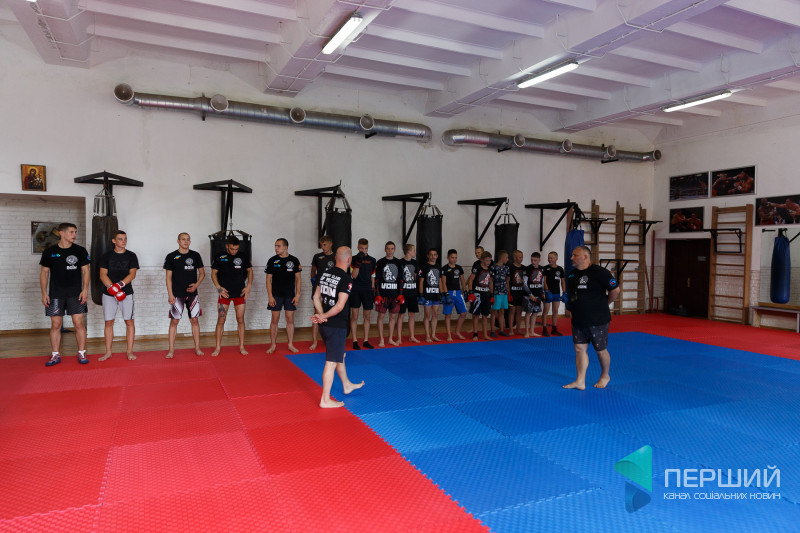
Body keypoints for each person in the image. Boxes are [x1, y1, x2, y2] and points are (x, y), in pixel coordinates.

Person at [310, 246, 364, 408]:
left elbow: (316, 297)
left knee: (340, 355)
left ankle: (346, 384)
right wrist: (324, 316)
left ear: (335, 258)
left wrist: (321, 315)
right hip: (336, 326)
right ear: (349, 260)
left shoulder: (325, 274)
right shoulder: (346, 279)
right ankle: (325, 400)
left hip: (325, 326)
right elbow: (340, 306)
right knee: (331, 362)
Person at [563, 246, 620, 390]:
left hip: (598, 319)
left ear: (585, 256)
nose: (571, 258)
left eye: (575, 255)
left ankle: (605, 375)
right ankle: (580, 381)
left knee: (600, 350)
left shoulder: (600, 272)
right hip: (579, 318)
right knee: (579, 348)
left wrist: (604, 304)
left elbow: (615, 290)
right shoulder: (571, 275)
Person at [39, 222, 90, 366]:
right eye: (71, 232)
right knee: (56, 324)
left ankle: (81, 352)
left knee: (78, 323)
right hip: (56, 294)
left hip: (76, 293)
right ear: (61, 233)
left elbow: (86, 271)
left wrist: (85, 290)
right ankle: (55, 355)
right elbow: (44, 273)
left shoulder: (80, 251)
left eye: (75, 232)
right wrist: (44, 293)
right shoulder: (49, 251)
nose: (74, 235)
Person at [98, 230, 139, 361]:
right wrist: (113, 289)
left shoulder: (131, 255)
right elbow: (102, 275)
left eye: (125, 239)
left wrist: (120, 285)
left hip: (126, 293)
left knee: (129, 321)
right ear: (114, 241)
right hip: (108, 294)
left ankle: (129, 351)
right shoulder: (106, 256)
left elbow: (132, 274)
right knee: (109, 322)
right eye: (120, 239)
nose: (124, 241)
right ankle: (108, 352)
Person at [164, 232, 205, 358]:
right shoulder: (171, 256)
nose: (186, 241)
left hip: (192, 294)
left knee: (194, 320)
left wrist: (196, 285)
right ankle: (171, 350)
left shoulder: (195, 255)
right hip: (177, 294)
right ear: (178, 241)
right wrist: (170, 294)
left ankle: (197, 348)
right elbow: (168, 277)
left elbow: (202, 273)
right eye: (183, 239)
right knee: (174, 321)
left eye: (188, 239)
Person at [210, 235, 253, 356]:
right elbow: (213, 273)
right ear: (227, 246)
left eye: (236, 249)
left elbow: (250, 271)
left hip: (240, 293)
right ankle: (217, 347)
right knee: (221, 320)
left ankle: (242, 347)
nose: (234, 251)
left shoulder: (242, 256)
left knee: (240, 319)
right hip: (224, 294)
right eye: (232, 249)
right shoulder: (220, 257)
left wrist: (248, 286)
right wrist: (218, 288)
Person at [265, 238, 302, 354]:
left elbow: (298, 279)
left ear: (285, 247)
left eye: (278, 246)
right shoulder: (272, 260)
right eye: (275, 246)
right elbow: (268, 279)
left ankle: (290, 344)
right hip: (276, 295)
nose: (276, 248)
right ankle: (273, 345)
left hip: (290, 295)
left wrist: (297, 295)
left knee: (290, 319)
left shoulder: (294, 260)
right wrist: (270, 296)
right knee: (274, 320)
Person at [349, 238, 376, 350]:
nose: (364, 250)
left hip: (367, 290)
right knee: (355, 316)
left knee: (367, 316)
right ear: (358, 247)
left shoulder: (372, 260)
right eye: (362, 248)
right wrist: (358, 263)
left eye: (366, 248)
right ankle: (355, 341)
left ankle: (365, 340)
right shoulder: (353, 259)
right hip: (355, 290)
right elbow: (354, 276)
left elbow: (373, 275)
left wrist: (373, 288)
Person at [309, 235, 335, 351]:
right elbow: (313, 271)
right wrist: (313, 282)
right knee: (317, 314)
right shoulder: (317, 256)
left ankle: (330, 340)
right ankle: (314, 341)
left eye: (325, 245)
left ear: (330, 244)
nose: (323, 247)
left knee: (331, 314)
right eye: (321, 245)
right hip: (319, 289)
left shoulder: (336, 257)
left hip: (331, 289)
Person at [375, 241, 403, 347]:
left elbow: (401, 279)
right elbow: (377, 279)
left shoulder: (398, 262)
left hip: (395, 295)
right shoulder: (380, 262)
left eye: (392, 249)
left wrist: (401, 294)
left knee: (392, 317)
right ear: (385, 249)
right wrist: (377, 294)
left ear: (394, 250)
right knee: (381, 316)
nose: (390, 251)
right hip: (383, 294)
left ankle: (390, 338)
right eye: (388, 248)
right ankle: (381, 339)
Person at [441, 249, 467, 341]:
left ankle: (457, 331)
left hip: (458, 292)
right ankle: (449, 335)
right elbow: (443, 282)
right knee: (448, 315)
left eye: (456, 257)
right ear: (448, 258)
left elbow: (462, 280)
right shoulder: (444, 268)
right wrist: (446, 293)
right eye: (452, 257)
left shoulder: (459, 268)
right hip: (449, 292)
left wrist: (465, 291)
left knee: (463, 313)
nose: (454, 259)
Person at [467, 251, 493, 341]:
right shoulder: (477, 268)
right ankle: (475, 334)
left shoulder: (490, 269)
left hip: (486, 294)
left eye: (490, 260)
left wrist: (492, 294)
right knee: (476, 315)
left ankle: (485, 334)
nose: (488, 262)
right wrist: (471, 292)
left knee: (485, 315)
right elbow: (470, 280)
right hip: (477, 294)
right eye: (487, 260)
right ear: (482, 259)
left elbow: (490, 282)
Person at [397, 243, 421, 344]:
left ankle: (412, 336)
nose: (415, 252)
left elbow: (415, 277)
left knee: (412, 315)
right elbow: (398, 278)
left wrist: (416, 291)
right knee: (401, 315)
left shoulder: (415, 263)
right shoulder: (400, 262)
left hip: (412, 292)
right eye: (414, 250)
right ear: (409, 252)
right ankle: (399, 338)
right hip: (403, 293)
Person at [419, 248, 443, 342]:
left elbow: (440, 282)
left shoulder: (439, 267)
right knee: (427, 315)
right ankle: (427, 335)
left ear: (437, 256)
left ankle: (433, 334)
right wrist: (421, 294)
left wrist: (442, 294)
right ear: (428, 256)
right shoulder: (424, 267)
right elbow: (421, 282)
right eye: (431, 254)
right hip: (427, 294)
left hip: (436, 294)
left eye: (434, 255)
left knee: (435, 314)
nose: (433, 256)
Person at [542, 251, 566, 336]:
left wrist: (564, 292)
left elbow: (563, 281)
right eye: (548, 258)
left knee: (555, 311)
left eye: (551, 258)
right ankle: (544, 329)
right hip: (548, 292)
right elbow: (544, 281)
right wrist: (547, 291)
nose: (549, 259)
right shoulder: (546, 268)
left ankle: (554, 329)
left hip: (556, 292)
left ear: (556, 259)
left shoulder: (560, 269)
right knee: (546, 311)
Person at [524, 252, 545, 338]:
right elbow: (524, 283)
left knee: (535, 313)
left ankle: (532, 331)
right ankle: (526, 331)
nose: (533, 262)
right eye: (532, 260)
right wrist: (530, 294)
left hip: (538, 294)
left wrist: (543, 292)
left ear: (539, 260)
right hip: (529, 294)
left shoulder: (542, 269)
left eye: (535, 260)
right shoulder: (527, 269)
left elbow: (542, 282)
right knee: (528, 313)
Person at [490, 250, 510, 337]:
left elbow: (507, 279)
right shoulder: (493, 267)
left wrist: (508, 290)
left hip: (504, 293)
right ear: (502, 258)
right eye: (507, 258)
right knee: (494, 312)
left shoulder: (506, 268)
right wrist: (491, 293)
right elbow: (490, 280)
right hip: (496, 292)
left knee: (502, 311)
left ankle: (501, 330)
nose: (508, 259)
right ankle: (492, 330)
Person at [507, 250, 527, 335]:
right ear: (514, 258)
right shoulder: (510, 267)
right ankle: (511, 329)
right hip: (512, 293)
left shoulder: (524, 268)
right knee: (512, 311)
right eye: (519, 257)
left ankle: (518, 329)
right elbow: (507, 281)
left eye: (522, 257)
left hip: (521, 293)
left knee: (519, 311)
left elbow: (526, 281)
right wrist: (508, 292)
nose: (521, 259)